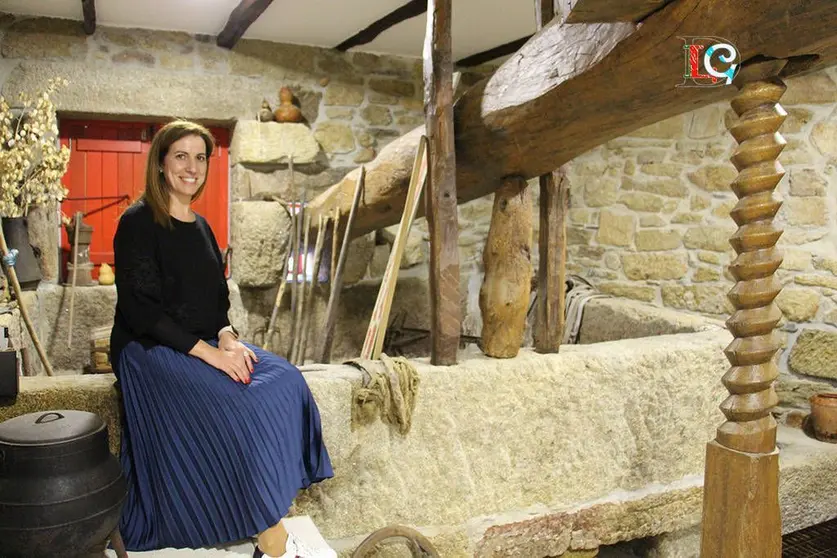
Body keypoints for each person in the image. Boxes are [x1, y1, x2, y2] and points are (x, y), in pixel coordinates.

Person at [110, 120, 335, 558]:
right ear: (160, 163)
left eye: (200, 158)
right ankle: (269, 529)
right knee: (240, 401)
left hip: (201, 342)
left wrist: (228, 338)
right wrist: (212, 356)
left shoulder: (202, 228)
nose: (191, 167)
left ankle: (269, 498)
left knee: (286, 380)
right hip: (146, 349)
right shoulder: (137, 222)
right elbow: (141, 311)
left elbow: (216, 302)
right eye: (181, 156)